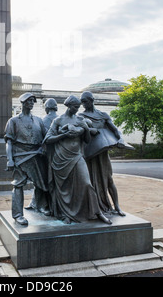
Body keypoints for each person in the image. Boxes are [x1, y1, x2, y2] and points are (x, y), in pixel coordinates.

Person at [44, 95, 112, 225]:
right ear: (68, 106)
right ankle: (67, 214)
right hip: (61, 158)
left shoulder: (80, 120)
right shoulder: (58, 121)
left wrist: (85, 129)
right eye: (75, 107)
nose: (77, 109)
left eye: (78, 107)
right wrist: (64, 134)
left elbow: (87, 140)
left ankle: (98, 213)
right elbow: (47, 139)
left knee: (86, 183)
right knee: (66, 189)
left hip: (77, 156)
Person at [80, 91, 133, 216]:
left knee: (109, 179)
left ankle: (117, 206)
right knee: (91, 181)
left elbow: (115, 130)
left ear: (92, 100)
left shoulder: (103, 115)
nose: (83, 104)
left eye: (85, 101)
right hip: (90, 154)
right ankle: (94, 208)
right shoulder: (80, 116)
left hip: (102, 154)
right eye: (82, 102)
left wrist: (120, 139)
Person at [4, 93, 50, 226]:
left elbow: (46, 137)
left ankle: (40, 206)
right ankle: (18, 214)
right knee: (18, 184)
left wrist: (44, 147)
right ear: (23, 103)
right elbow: (9, 142)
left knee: (41, 183)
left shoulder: (38, 120)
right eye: (29, 101)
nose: (31, 103)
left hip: (37, 155)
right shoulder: (13, 121)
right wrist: (10, 159)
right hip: (21, 157)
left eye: (33, 101)